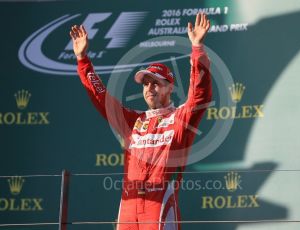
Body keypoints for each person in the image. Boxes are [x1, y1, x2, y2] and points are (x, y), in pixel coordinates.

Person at [70, 12, 212, 230]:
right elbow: (101, 98)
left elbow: (200, 94)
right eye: (145, 84)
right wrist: (83, 61)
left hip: (161, 205)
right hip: (128, 206)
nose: (149, 88)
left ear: (169, 87)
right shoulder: (133, 120)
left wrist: (197, 49)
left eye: (155, 82)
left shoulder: (180, 118)